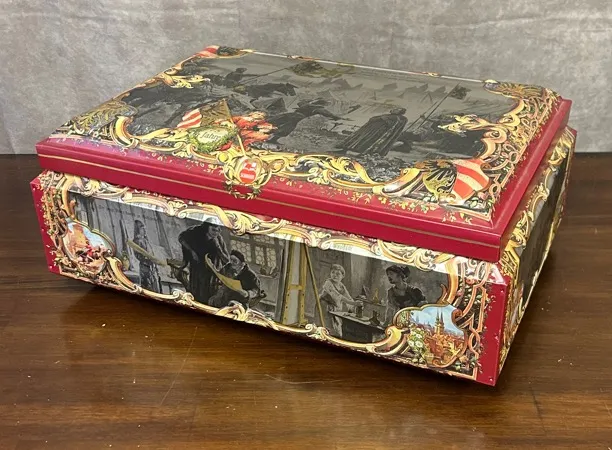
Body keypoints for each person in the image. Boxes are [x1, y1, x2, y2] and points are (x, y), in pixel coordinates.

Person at [178, 222, 230, 304]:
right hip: (197, 266)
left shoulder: (218, 239)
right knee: (196, 289)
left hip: (212, 268)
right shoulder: (196, 232)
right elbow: (181, 238)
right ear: (207, 228)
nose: (215, 233)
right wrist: (192, 252)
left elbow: (226, 259)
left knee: (208, 291)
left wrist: (218, 248)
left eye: (217, 231)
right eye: (213, 230)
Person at [334, 108, 408, 157]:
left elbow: (390, 125)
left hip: (376, 133)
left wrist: (379, 119)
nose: (394, 109)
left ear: (400, 112)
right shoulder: (391, 116)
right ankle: (345, 150)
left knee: (365, 142)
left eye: (397, 109)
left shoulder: (398, 118)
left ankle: (362, 154)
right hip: (369, 130)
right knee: (357, 139)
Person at [267, 99, 342, 144]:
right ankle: (272, 139)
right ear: (322, 104)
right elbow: (327, 114)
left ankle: (267, 135)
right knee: (287, 128)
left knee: (278, 123)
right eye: (326, 104)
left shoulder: (306, 104)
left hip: (291, 114)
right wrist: (336, 118)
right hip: (297, 117)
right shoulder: (318, 108)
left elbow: (299, 103)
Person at [318, 264, 360, 337]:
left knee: (337, 331)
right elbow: (338, 296)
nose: (334, 275)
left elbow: (348, 297)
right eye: (333, 272)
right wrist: (353, 303)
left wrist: (353, 307)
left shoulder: (341, 286)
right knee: (326, 329)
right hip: (325, 307)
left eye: (337, 274)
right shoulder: (328, 283)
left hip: (335, 309)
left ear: (342, 276)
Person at [133, 220, 162, 293]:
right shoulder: (137, 241)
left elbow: (151, 252)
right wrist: (148, 259)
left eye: (144, 228)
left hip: (152, 267)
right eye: (142, 228)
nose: (144, 230)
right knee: (147, 287)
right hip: (145, 267)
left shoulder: (146, 240)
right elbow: (138, 255)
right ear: (138, 230)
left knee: (155, 286)